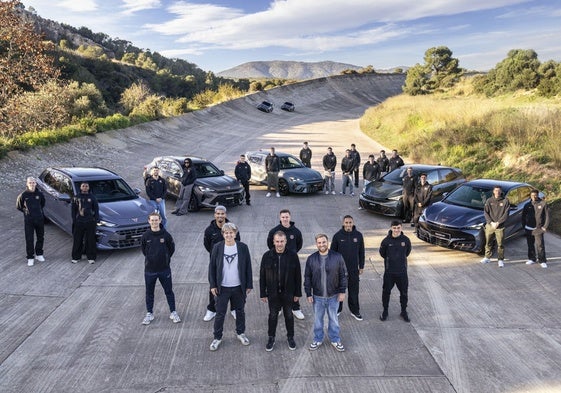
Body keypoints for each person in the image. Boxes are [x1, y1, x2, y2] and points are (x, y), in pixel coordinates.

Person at [208, 222, 253, 351]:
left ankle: (240, 333)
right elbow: (212, 267)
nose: (229, 235)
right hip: (222, 288)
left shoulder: (243, 247)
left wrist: (248, 284)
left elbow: (248, 267)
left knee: (240, 312)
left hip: (239, 287)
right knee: (220, 314)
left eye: (231, 232)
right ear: (223, 234)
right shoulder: (217, 247)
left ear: (235, 234)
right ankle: (217, 337)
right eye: (226, 233)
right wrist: (213, 285)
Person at [260, 231, 302, 351]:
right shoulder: (266, 256)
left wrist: (297, 293)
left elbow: (298, 276)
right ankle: (271, 338)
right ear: (273, 242)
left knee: (289, 315)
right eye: (277, 241)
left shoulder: (293, 256)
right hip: (273, 294)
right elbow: (262, 276)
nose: (279, 244)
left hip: (288, 293)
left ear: (286, 241)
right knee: (273, 316)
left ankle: (290, 337)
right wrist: (263, 293)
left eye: (282, 241)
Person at [304, 234, 348, 352]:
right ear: (316, 244)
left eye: (324, 242)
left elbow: (343, 275)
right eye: (319, 242)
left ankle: (335, 340)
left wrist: (342, 291)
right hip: (317, 297)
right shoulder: (311, 259)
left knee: (333, 320)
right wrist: (308, 293)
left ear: (327, 242)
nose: (322, 244)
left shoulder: (337, 257)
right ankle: (318, 339)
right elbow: (307, 277)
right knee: (318, 320)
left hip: (333, 296)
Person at [140, 212, 181, 325]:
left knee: (169, 291)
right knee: (149, 292)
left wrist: (165, 259)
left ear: (160, 220)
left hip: (164, 269)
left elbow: (171, 249)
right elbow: (144, 250)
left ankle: (173, 312)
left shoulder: (166, 235)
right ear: (149, 221)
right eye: (152, 220)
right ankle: (149, 313)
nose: (154, 222)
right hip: (150, 270)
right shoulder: (146, 236)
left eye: (156, 220)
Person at [203, 205, 240, 321]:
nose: (220, 216)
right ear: (215, 215)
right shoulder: (209, 230)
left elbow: (238, 244)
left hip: (232, 263)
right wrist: (217, 257)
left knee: (234, 287)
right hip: (216, 265)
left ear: (226, 215)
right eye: (218, 214)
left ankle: (234, 309)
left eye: (222, 214)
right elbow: (207, 245)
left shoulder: (232, 228)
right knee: (214, 287)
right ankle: (212, 310)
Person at [267, 209, 305, 320]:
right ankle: (278, 308)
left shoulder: (296, 232)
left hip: (292, 262)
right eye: (283, 217)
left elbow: (299, 244)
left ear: (290, 217)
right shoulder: (274, 231)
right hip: (277, 261)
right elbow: (270, 244)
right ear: (280, 218)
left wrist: (291, 254)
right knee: (278, 284)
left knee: (293, 284)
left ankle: (295, 308)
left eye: (287, 217)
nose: (285, 219)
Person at [330, 215, 365, 320]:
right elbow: (332, 253)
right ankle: (338, 309)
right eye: (346, 223)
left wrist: (361, 266)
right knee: (339, 291)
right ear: (343, 223)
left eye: (350, 222)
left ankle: (355, 311)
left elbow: (361, 252)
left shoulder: (358, 235)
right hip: (340, 270)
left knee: (354, 291)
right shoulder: (337, 236)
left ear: (353, 223)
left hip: (354, 269)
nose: (348, 225)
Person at [379, 221, 412, 322]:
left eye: (398, 228)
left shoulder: (406, 240)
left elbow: (407, 252)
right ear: (391, 228)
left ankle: (403, 311)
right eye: (394, 228)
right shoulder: (385, 241)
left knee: (404, 293)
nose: (396, 230)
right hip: (389, 273)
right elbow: (382, 254)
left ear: (401, 228)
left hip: (402, 272)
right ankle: (385, 311)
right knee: (386, 292)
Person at [16, 177, 46, 266]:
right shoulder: (23, 195)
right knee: (29, 239)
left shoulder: (40, 194)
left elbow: (42, 204)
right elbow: (19, 206)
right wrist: (27, 212)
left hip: (39, 219)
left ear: (36, 184)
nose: (32, 184)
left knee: (40, 237)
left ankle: (39, 254)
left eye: (33, 182)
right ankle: (30, 257)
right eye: (30, 183)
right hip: (29, 220)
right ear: (27, 184)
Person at [480, 185, 510, 268]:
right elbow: (486, 213)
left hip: (500, 226)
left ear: (501, 192)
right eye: (496, 190)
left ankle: (500, 259)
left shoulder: (505, 201)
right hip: (490, 225)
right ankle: (487, 257)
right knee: (488, 242)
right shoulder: (489, 201)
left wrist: (498, 223)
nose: (497, 192)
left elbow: (506, 214)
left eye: (499, 190)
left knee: (500, 244)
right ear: (493, 191)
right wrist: (491, 222)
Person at [71, 182, 99, 264]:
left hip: (90, 221)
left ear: (89, 187)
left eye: (86, 186)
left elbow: (96, 209)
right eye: (83, 186)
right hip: (79, 221)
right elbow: (73, 210)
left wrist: (95, 220)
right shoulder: (76, 197)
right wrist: (74, 220)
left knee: (90, 240)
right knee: (77, 240)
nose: (85, 187)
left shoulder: (92, 197)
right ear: (80, 187)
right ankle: (76, 257)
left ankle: (91, 257)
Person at [522, 189, 549, 268]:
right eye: (532, 195)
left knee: (540, 245)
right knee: (530, 245)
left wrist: (545, 226)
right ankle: (532, 258)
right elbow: (523, 216)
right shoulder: (527, 205)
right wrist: (524, 226)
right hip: (529, 228)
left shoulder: (543, 204)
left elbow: (547, 216)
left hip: (539, 228)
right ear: (530, 196)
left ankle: (542, 260)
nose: (534, 197)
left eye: (535, 195)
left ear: (538, 195)